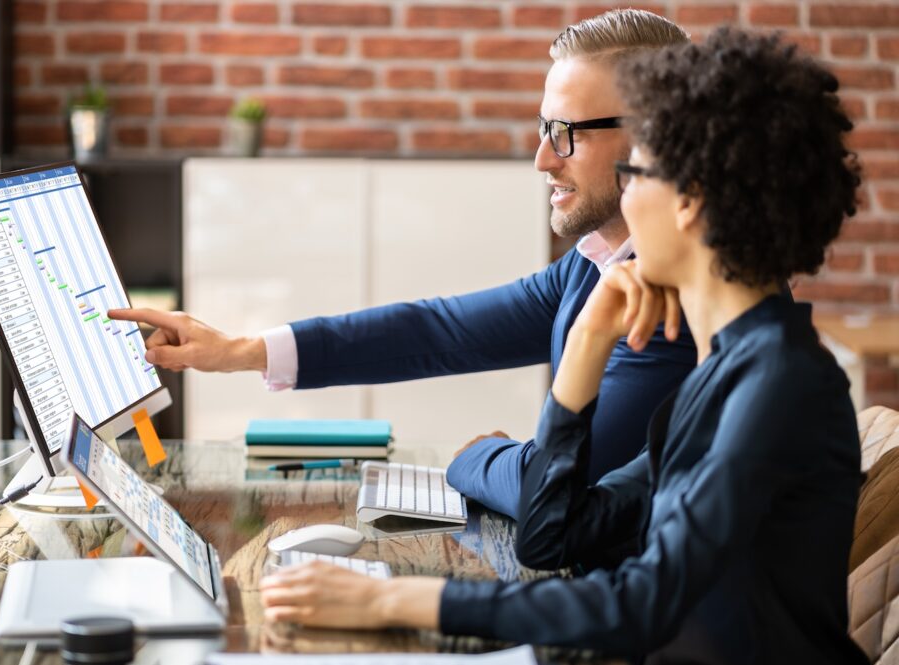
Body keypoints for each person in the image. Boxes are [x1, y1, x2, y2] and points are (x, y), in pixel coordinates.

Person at [259, 28, 870, 665]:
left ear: (689, 199)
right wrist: (583, 347)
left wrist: (388, 596)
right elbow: (553, 533)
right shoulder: (725, 371)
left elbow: (646, 601)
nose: (628, 197)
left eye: (638, 172)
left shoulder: (779, 382)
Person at [108, 10, 698, 518]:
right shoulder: (597, 261)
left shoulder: (670, 297)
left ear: (654, 140)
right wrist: (238, 350)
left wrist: (474, 457)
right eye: (545, 128)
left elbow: (548, 485)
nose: (543, 158)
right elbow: (440, 329)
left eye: (566, 133)